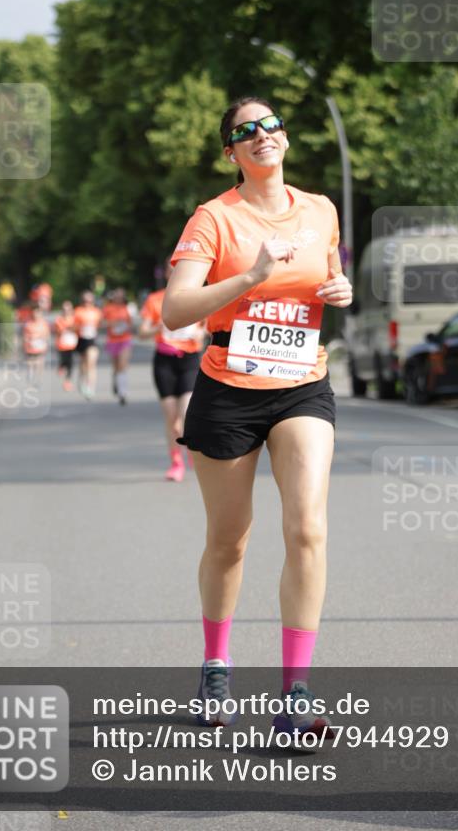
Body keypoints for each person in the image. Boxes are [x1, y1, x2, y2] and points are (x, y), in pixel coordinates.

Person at [163, 96, 353, 740]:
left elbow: (330, 276)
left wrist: (341, 290)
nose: (261, 134)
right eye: (246, 130)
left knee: (308, 529)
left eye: (270, 124)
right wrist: (251, 276)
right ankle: (216, 664)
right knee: (230, 538)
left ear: (284, 138)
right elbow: (175, 310)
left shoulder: (320, 210)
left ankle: (296, 692)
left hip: (303, 384)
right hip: (228, 389)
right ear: (231, 152)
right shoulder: (214, 219)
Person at [139, 262, 206, 481]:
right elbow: (142, 332)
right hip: (164, 361)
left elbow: (208, 324)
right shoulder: (156, 299)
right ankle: (176, 461)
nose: (175, 272)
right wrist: (160, 326)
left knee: (186, 413)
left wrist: (201, 334)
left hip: (189, 359)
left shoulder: (198, 296)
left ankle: (191, 454)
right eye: (171, 269)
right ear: (167, 274)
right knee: (171, 418)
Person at [102, 288, 134, 404]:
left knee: (122, 365)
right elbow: (102, 323)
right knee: (116, 367)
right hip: (112, 340)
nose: (119, 299)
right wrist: (113, 323)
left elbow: (131, 323)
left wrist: (126, 326)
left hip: (125, 339)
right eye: (117, 296)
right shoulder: (108, 308)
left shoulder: (128, 308)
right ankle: (116, 381)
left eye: (121, 297)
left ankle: (123, 392)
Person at [73, 290, 102, 400]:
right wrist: (80, 327)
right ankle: (82, 379)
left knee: (91, 363)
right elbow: (73, 326)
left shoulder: (97, 312)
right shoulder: (78, 311)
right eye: (85, 301)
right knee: (83, 364)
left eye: (89, 301)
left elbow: (100, 324)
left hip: (92, 340)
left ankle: (91, 387)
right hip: (81, 339)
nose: (87, 303)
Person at [22, 302, 50, 382]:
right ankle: (30, 372)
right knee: (30, 361)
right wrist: (28, 341)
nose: (35, 315)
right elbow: (25, 335)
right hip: (30, 345)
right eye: (34, 313)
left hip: (40, 345)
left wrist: (41, 340)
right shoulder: (28, 323)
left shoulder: (44, 323)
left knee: (39, 361)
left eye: (37, 313)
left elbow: (46, 335)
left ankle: (38, 378)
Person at [53, 301, 78, 391]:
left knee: (70, 363)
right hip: (62, 344)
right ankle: (61, 366)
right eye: (64, 309)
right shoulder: (59, 319)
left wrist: (71, 328)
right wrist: (68, 328)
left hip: (72, 344)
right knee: (63, 361)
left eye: (68, 309)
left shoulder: (75, 318)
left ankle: (68, 381)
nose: (66, 311)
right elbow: (59, 330)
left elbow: (77, 328)